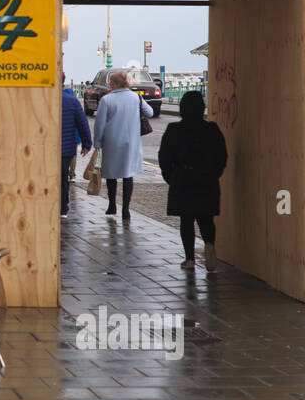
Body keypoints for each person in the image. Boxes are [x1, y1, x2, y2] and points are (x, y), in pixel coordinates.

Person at [158, 90, 228, 271]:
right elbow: (222, 156)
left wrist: (172, 178)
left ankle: (189, 259)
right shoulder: (212, 129)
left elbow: (164, 158)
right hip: (207, 180)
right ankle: (210, 246)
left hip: (183, 179)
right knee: (206, 218)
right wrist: (214, 174)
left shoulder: (174, 130)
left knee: (186, 220)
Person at [91, 69, 153, 221]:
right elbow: (150, 112)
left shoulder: (107, 100)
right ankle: (126, 209)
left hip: (112, 142)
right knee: (127, 174)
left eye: (111, 82)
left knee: (111, 174)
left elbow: (99, 124)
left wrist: (97, 142)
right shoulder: (136, 98)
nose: (109, 84)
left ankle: (112, 204)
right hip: (131, 142)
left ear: (116, 83)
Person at [61, 74, 92, 217]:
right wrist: (87, 144)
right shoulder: (72, 101)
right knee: (62, 178)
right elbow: (82, 123)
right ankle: (63, 209)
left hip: (43, 149)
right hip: (65, 148)